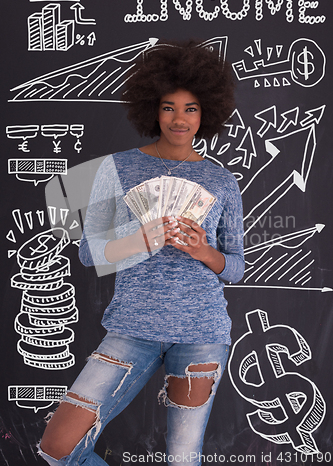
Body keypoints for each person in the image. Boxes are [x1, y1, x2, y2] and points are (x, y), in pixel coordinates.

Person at [38, 40, 245, 466]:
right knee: (57, 447)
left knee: (183, 460)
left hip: (201, 334)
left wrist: (205, 252)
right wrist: (139, 241)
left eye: (190, 108)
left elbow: (236, 267)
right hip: (131, 327)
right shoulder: (116, 168)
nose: (179, 118)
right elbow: (90, 253)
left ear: (206, 113)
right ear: (152, 108)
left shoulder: (221, 182)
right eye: (169, 107)